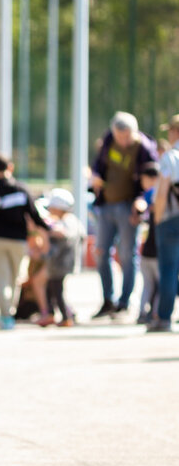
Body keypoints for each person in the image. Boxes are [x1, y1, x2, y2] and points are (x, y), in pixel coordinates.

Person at [90, 111, 158, 319]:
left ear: (134, 132)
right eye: (120, 137)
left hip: (129, 207)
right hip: (106, 205)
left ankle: (124, 302)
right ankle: (108, 300)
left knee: (128, 255)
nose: (123, 141)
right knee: (101, 252)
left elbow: (151, 178)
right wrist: (95, 177)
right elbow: (98, 165)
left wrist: (142, 201)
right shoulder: (109, 140)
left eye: (127, 137)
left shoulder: (145, 148)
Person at [0, 153, 49, 330]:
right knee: (15, 279)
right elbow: (34, 215)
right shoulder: (21, 190)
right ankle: (8, 313)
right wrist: (47, 229)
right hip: (18, 241)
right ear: (10, 167)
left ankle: (5, 316)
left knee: (2, 279)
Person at [151, 114, 179, 332]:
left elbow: (161, 194)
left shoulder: (171, 157)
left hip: (171, 219)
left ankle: (164, 318)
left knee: (169, 269)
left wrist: (158, 219)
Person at [42, 188, 83, 327]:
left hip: (63, 262)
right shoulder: (62, 220)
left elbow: (66, 234)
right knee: (50, 287)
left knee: (57, 289)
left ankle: (66, 316)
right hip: (56, 262)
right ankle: (51, 314)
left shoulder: (69, 221)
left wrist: (51, 231)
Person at [137, 162, 162, 325]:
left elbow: (141, 205)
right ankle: (156, 313)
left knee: (147, 286)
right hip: (159, 251)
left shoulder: (152, 193)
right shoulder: (162, 196)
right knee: (160, 286)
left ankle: (142, 313)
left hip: (148, 251)